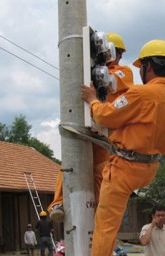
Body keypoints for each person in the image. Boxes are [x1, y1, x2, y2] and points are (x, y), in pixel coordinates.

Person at [60, 39, 165, 256]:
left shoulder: (140, 93)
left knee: (105, 226)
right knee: (98, 186)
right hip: (149, 168)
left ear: (147, 66)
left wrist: (92, 100)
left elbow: (104, 115)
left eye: (141, 66)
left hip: (126, 168)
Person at [47, 33, 134, 223]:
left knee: (100, 172)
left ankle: (98, 214)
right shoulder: (90, 68)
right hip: (87, 125)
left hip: (105, 133)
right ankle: (57, 204)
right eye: (114, 53)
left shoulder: (123, 72)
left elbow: (110, 84)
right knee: (70, 163)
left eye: (116, 54)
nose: (116, 57)